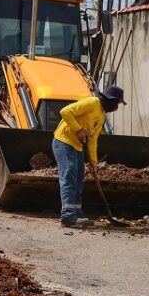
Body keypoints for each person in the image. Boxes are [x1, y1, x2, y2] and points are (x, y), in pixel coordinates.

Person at [52, 86, 126, 228]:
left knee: (78, 178)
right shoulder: (92, 103)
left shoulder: (102, 116)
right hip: (63, 141)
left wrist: (93, 162)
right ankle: (68, 216)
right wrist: (78, 129)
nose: (116, 108)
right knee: (69, 174)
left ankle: (77, 213)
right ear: (109, 101)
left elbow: (93, 140)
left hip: (77, 147)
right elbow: (65, 111)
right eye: (116, 104)